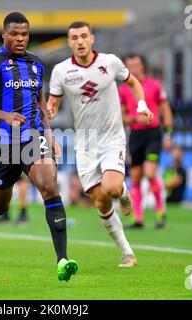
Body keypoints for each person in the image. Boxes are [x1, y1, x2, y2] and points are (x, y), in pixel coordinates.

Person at [0, 12, 78, 281]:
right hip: (3, 143)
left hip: (32, 137)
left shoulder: (37, 64)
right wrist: (4, 116)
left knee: (49, 186)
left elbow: (40, 104)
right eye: (14, 33)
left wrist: (49, 134)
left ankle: (62, 260)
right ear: (4, 34)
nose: (20, 38)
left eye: (24, 34)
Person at [47, 21, 154, 267]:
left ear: (92, 39)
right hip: (85, 144)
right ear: (69, 42)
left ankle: (124, 193)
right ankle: (128, 253)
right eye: (74, 38)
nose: (80, 41)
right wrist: (51, 109)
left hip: (111, 137)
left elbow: (134, 82)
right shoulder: (61, 71)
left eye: (84, 36)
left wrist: (141, 105)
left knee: (113, 188)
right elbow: (53, 100)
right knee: (101, 200)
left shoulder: (110, 62)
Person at [119, 53, 173, 229]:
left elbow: (165, 109)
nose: (133, 69)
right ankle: (138, 218)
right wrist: (135, 120)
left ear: (143, 66)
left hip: (153, 134)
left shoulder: (155, 86)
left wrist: (169, 133)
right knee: (135, 178)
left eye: (136, 65)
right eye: (130, 66)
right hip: (136, 135)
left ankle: (160, 212)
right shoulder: (124, 89)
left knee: (150, 174)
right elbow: (122, 116)